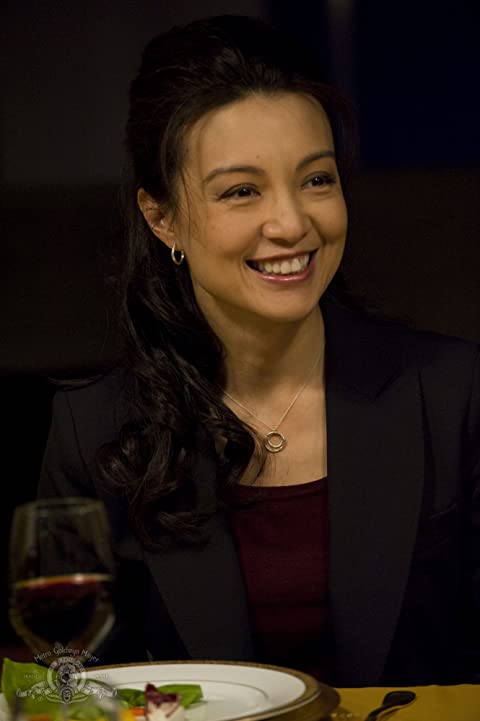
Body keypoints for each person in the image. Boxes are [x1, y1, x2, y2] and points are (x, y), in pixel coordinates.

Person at [39, 14, 480, 687]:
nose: (292, 223)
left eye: (317, 180)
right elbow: (74, 682)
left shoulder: (454, 391)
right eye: (242, 191)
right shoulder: (94, 430)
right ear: (162, 217)